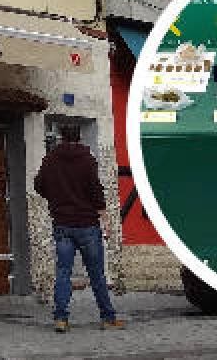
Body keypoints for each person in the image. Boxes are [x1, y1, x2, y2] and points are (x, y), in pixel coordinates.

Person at [34, 123, 124, 333]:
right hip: (87, 224)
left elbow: (39, 186)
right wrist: (105, 218)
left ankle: (61, 319)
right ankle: (108, 318)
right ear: (80, 137)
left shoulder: (50, 159)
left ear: (61, 137)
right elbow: (96, 190)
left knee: (63, 272)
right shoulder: (87, 159)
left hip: (62, 224)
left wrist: (56, 199)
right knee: (96, 274)